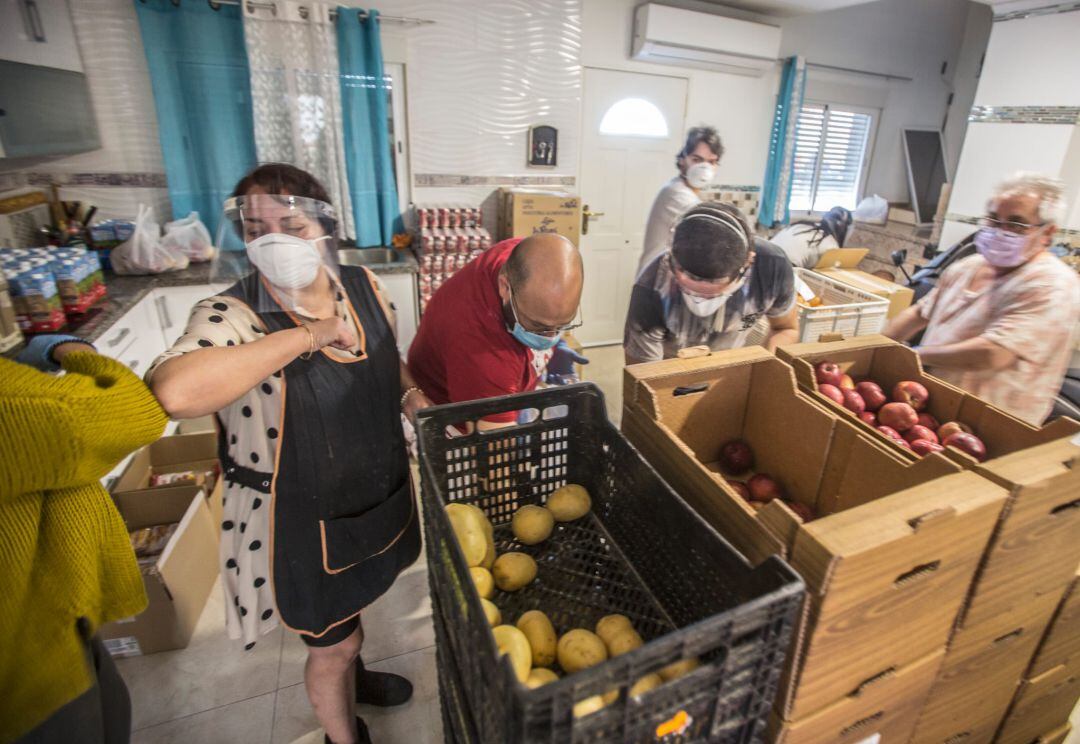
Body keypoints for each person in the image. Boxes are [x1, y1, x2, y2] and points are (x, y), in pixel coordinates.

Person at [147, 164, 429, 744]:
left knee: (355, 609)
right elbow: (175, 391)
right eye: (255, 228)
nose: (272, 240)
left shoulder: (364, 286)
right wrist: (311, 334)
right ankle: (340, 734)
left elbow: (385, 358)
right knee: (333, 644)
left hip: (370, 491)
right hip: (298, 517)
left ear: (325, 227)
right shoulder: (233, 315)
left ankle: (358, 675)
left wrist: (412, 398)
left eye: (291, 225)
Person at [2, 335, 168, 744]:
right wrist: (67, 348)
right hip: (25, 670)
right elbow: (134, 409)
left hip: (48, 620)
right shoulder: (12, 404)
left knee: (108, 708)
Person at [884, 172, 1080, 425]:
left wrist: (916, 355)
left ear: (1047, 233)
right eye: (994, 220)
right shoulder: (969, 267)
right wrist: (876, 347)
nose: (1000, 231)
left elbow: (994, 353)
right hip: (930, 411)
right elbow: (920, 313)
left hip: (989, 427)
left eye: (1016, 224)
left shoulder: (1051, 284)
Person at [407, 233, 584, 429]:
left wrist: (556, 344)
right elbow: (495, 449)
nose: (550, 337)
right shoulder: (480, 349)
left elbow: (548, 313)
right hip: (449, 413)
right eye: (539, 326)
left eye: (562, 325)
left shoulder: (525, 257)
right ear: (505, 287)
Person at [625, 202, 799, 364]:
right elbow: (642, 374)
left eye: (713, 295)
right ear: (671, 263)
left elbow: (785, 329)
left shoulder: (772, 268)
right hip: (669, 365)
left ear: (747, 264)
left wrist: (763, 371)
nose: (700, 302)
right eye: (687, 289)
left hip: (729, 365)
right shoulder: (650, 288)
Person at [637, 126, 724, 276]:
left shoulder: (686, 190)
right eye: (697, 160)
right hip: (654, 284)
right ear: (682, 160)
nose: (704, 168)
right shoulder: (676, 194)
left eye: (711, 162)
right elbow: (711, 231)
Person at [769, 206, 853, 268]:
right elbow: (830, 273)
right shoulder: (831, 245)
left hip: (760, 262)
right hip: (782, 272)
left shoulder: (799, 225)